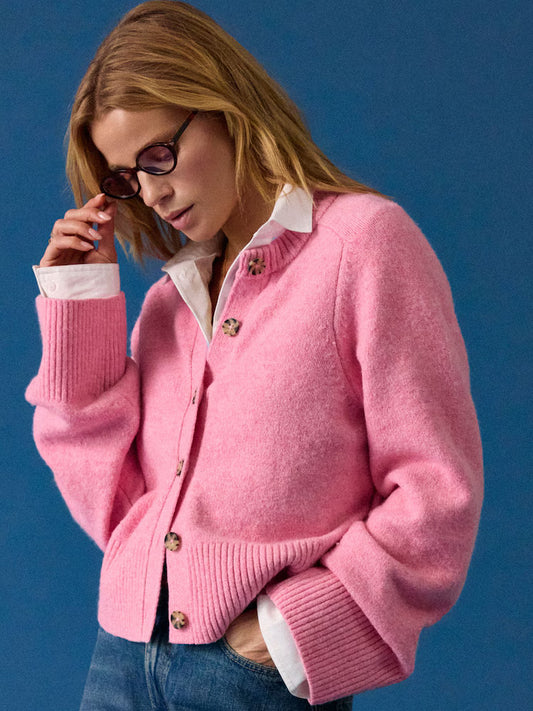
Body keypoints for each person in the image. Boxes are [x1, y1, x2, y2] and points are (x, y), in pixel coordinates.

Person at [26, 1, 483, 709]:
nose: (151, 192)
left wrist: (289, 635)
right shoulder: (169, 305)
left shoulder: (363, 245)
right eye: (126, 177)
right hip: (119, 660)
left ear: (225, 108)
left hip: (249, 674)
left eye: (158, 155)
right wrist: (78, 301)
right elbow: (109, 496)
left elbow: (436, 488)